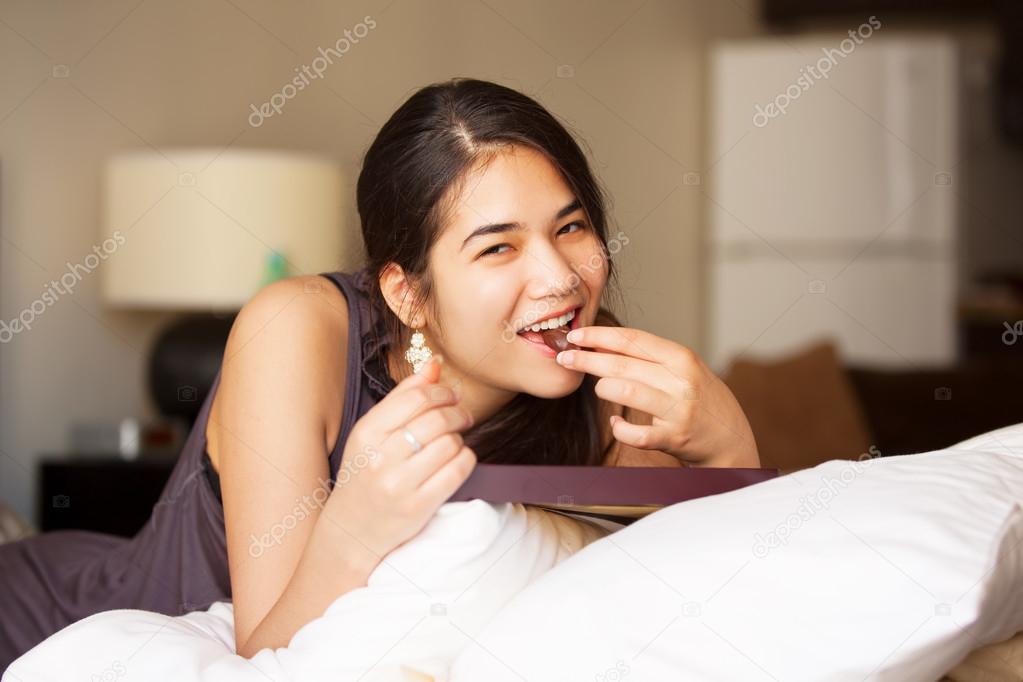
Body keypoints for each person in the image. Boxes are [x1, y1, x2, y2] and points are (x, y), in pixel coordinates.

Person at [0, 77, 759, 668]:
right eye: (498, 247)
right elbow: (263, 654)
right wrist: (353, 528)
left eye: (571, 227)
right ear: (406, 291)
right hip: (49, 623)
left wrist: (728, 442)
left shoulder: (608, 381)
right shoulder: (294, 329)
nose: (560, 277)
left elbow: (712, 612)